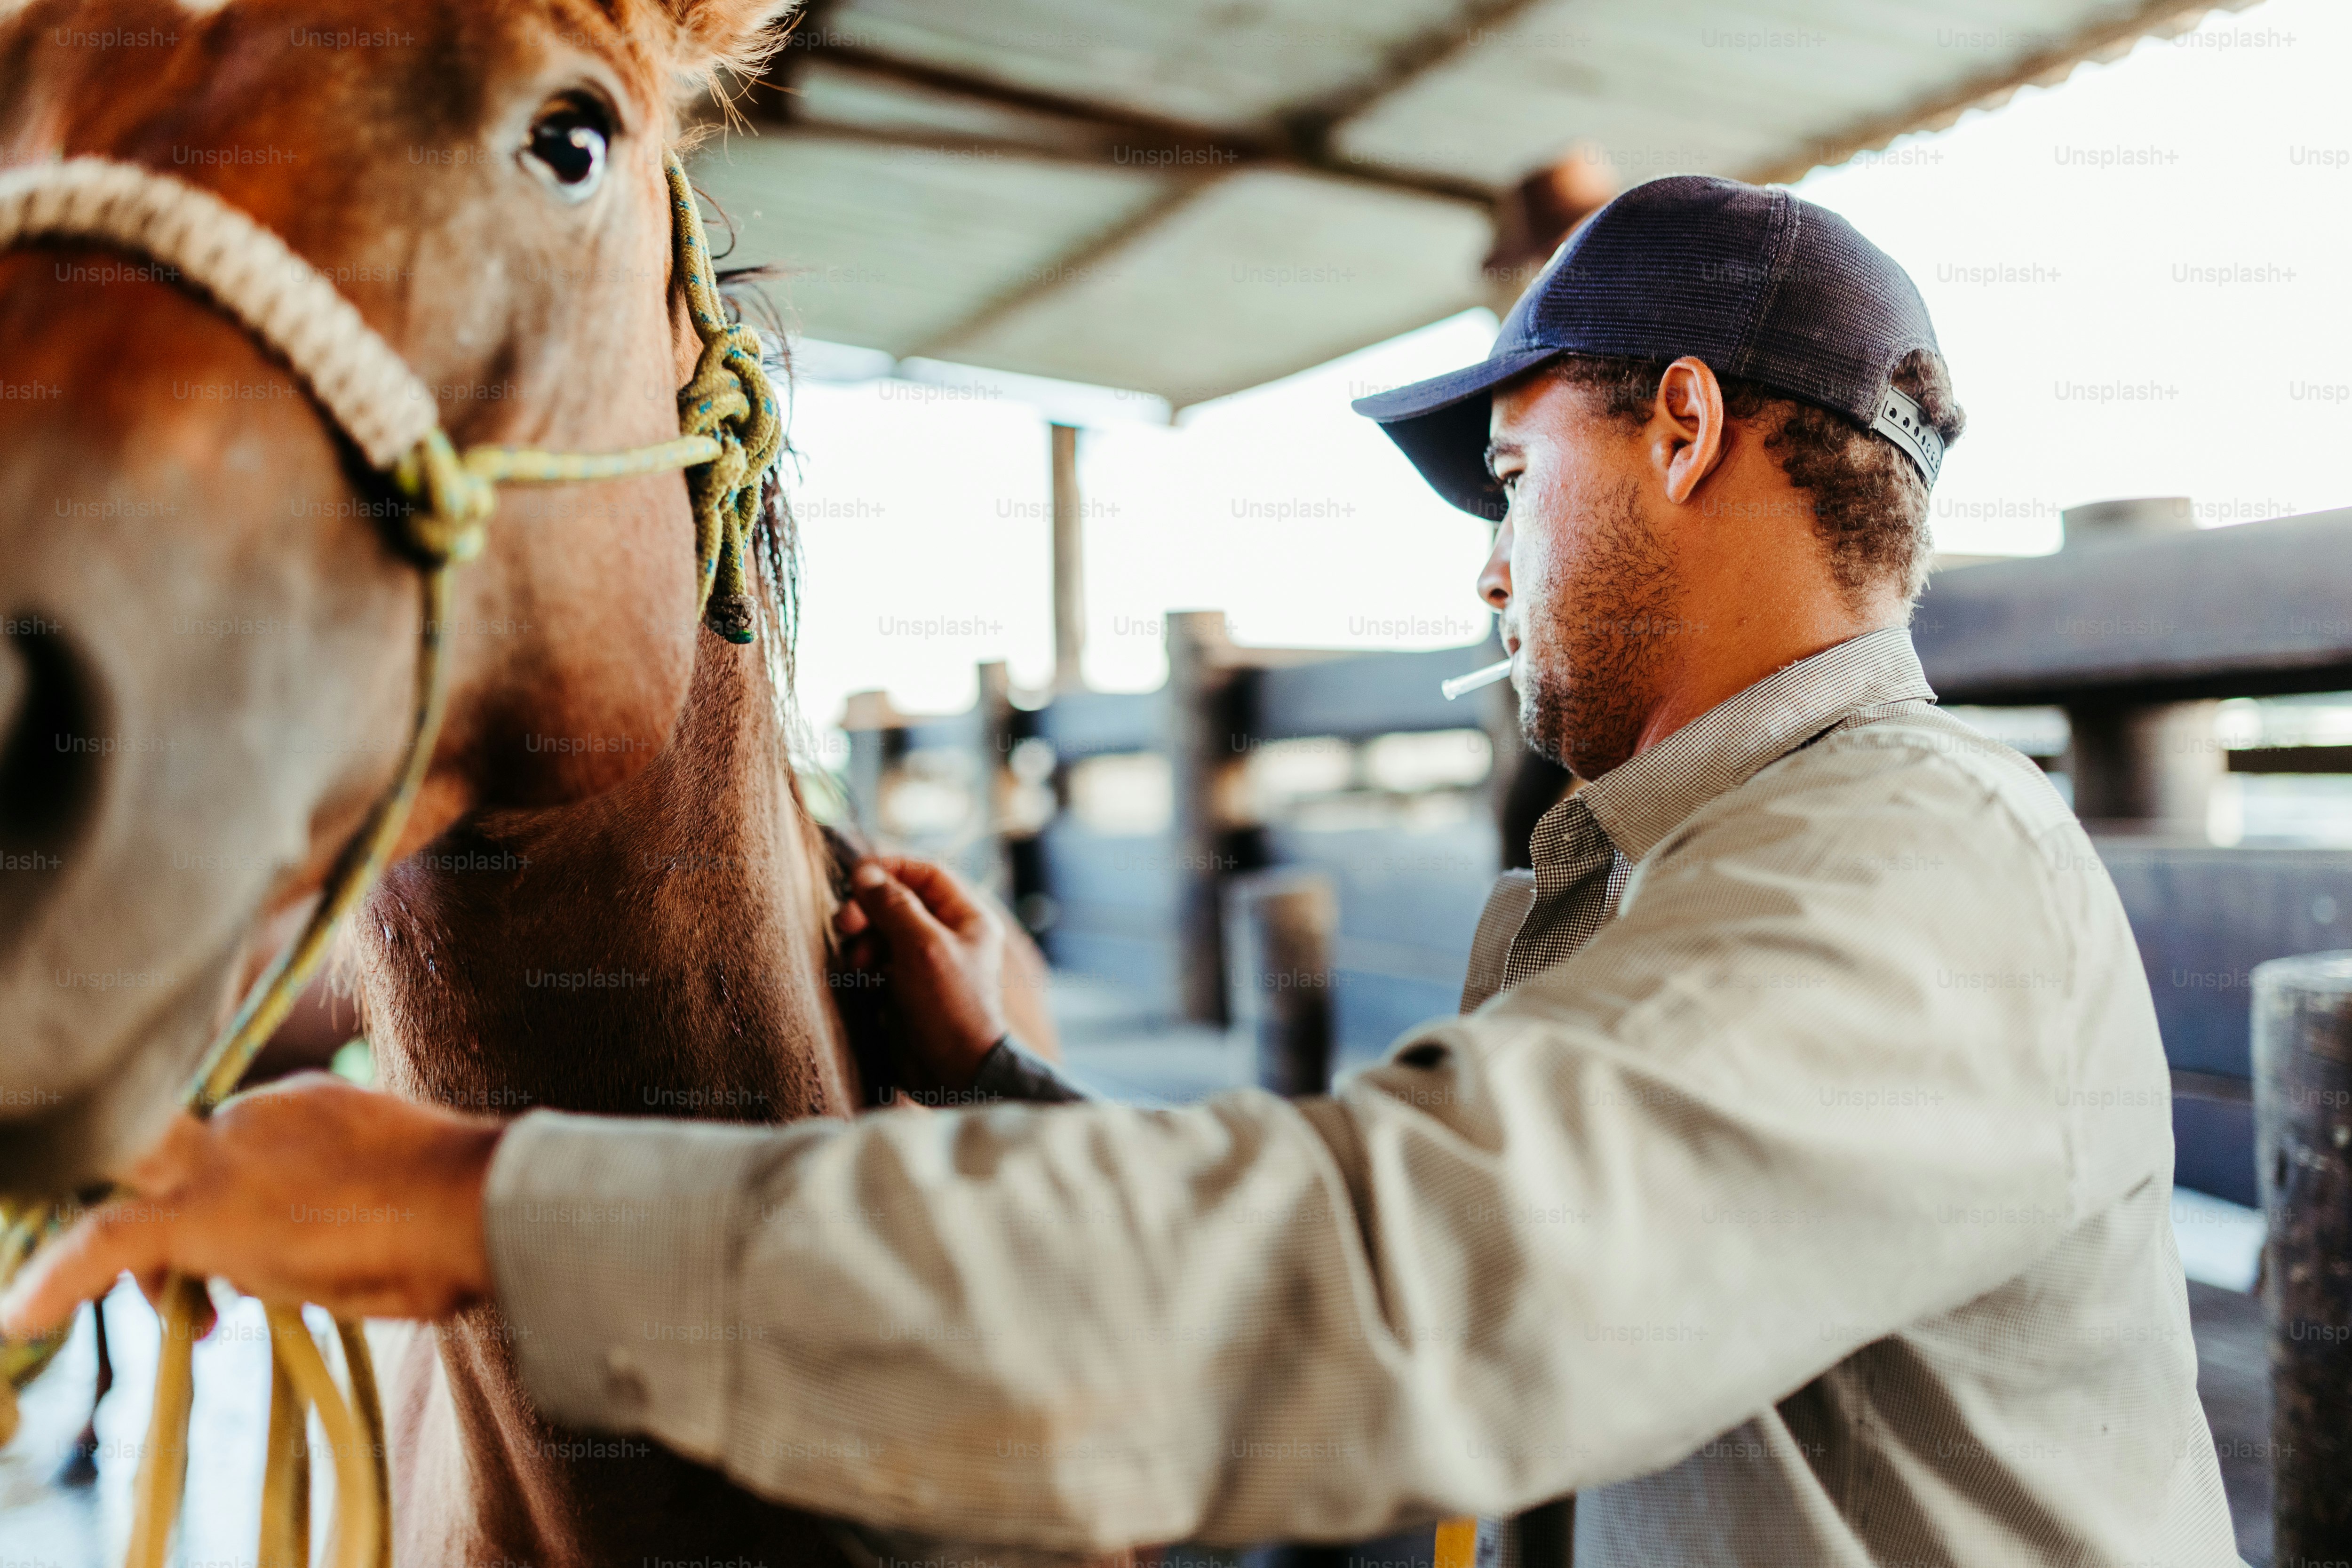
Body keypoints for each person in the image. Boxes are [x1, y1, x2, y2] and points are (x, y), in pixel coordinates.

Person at [2, 175, 2240, 1567]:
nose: (1490, 571)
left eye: (1508, 469)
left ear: (1674, 427)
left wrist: (460, 1206)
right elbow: (1501, 1281)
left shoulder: (1908, 878)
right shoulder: (1687, 865)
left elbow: (1410, 1286)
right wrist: (993, 1099)